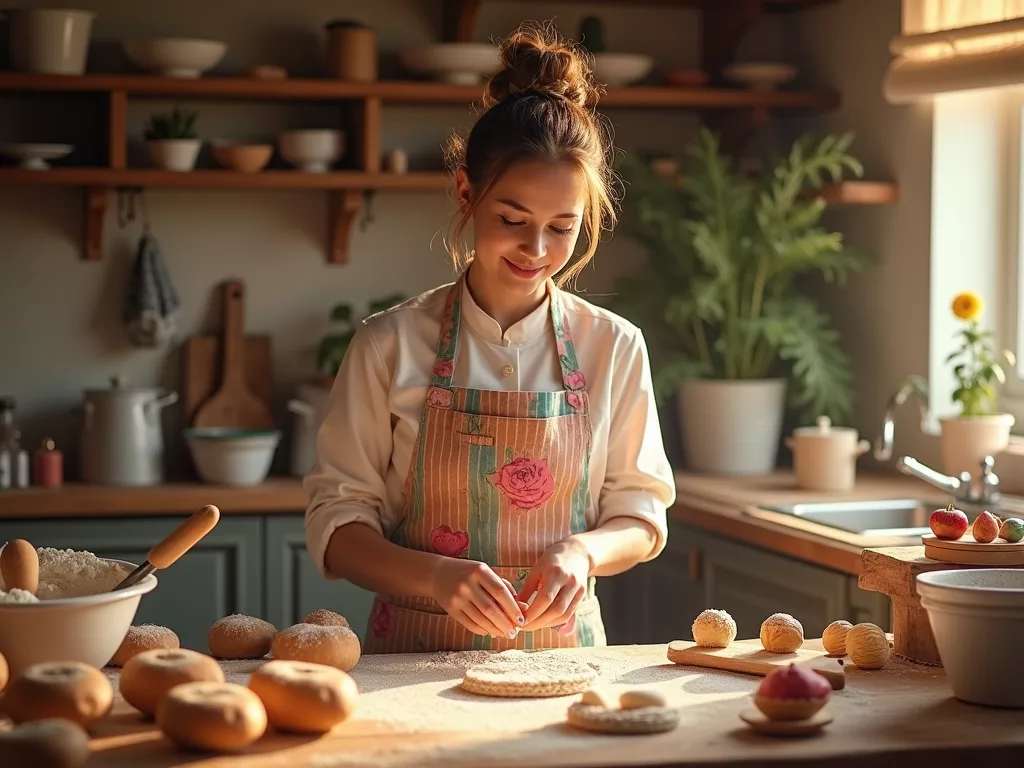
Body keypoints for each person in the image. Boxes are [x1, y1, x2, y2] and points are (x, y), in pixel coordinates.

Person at [304, 23, 676, 654]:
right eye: (512, 220)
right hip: (411, 665)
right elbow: (337, 525)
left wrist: (582, 553)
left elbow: (641, 515)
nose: (537, 250)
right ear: (466, 192)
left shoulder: (613, 346)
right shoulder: (387, 345)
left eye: (562, 227)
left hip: (566, 663)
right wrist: (435, 576)